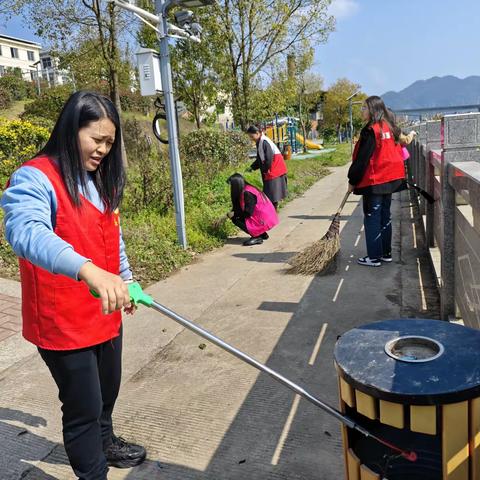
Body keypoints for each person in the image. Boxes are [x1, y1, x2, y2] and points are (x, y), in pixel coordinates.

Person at [1, 91, 146, 479]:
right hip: (62, 319)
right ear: (70, 129)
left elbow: (111, 236)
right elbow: (25, 231)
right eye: (95, 139)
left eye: (109, 143)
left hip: (103, 311)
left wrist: (125, 279)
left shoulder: (99, 180)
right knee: (83, 406)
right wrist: (88, 270)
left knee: (107, 392)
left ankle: (107, 441)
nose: (102, 150)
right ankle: (94, 472)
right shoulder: (35, 176)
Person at [347, 96, 406, 267]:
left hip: (376, 180)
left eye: (364, 108)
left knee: (372, 217)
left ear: (373, 110)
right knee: (385, 216)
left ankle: (373, 257)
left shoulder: (371, 131)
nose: (362, 111)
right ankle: (386, 253)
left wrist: (352, 180)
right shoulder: (391, 127)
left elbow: (362, 159)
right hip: (391, 179)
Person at [226, 173, 279, 246]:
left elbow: (248, 213)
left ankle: (256, 236)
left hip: (265, 219)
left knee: (235, 218)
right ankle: (262, 233)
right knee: (237, 215)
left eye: (232, 186)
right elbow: (240, 208)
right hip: (267, 216)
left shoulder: (247, 193)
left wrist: (234, 214)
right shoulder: (248, 188)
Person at [247, 125, 288, 210]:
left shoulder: (264, 142)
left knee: (272, 193)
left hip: (274, 169)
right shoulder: (260, 141)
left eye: (252, 136)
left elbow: (268, 159)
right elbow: (260, 159)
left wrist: (265, 170)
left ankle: (273, 211)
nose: (251, 139)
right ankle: (273, 211)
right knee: (271, 193)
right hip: (271, 169)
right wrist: (252, 167)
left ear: (257, 133)